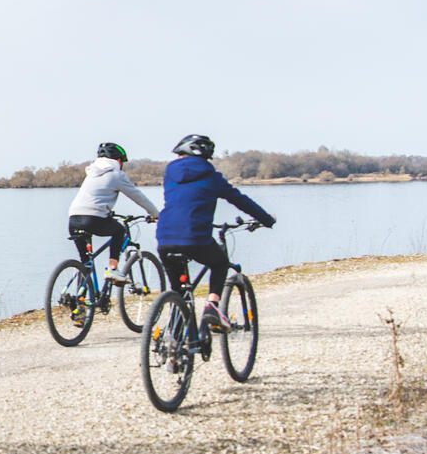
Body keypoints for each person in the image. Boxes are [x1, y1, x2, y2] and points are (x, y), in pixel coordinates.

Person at [155, 133, 275, 329]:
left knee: (178, 291)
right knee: (220, 263)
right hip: (195, 237)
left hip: (165, 237)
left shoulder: (170, 172)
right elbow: (240, 200)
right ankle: (212, 306)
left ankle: (175, 348)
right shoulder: (211, 177)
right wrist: (266, 219)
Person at [66, 141, 157, 289]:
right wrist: (155, 214)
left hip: (73, 219)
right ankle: (113, 270)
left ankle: (81, 302)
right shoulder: (116, 175)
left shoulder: (92, 173)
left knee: (86, 263)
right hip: (93, 219)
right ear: (119, 160)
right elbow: (138, 197)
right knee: (119, 230)